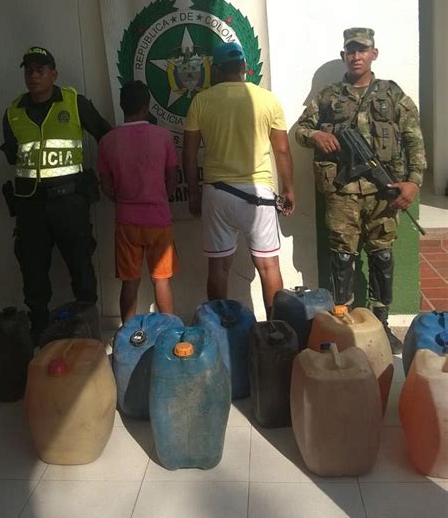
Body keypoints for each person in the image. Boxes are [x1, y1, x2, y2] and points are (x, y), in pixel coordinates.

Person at [295, 28, 427, 352]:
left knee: (382, 256)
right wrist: (316, 137)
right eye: (350, 51)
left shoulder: (392, 94)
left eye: (362, 50)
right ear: (344, 56)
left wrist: (413, 181)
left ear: (374, 54)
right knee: (342, 257)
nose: (356, 56)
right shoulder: (328, 96)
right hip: (342, 193)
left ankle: (381, 323)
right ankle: (344, 322)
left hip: (386, 192)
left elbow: (414, 139)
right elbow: (300, 128)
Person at [1, 46, 111, 343]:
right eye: (29, 70)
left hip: (70, 203)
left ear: (54, 74)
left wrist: (107, 178)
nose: (34, 75)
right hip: (30, 208)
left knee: (81, 268)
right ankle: (40, 335)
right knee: (33, 272)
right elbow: (14, 157)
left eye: (40, 69)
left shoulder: (75, 103)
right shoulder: (13, 112)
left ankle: (87, 335)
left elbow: (107, 137)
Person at [183, 41, 295, 319]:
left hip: (217, 193)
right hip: (259, 194)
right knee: (269, 266)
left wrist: (193, 193)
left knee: (219, 267)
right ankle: (275, 330)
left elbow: (188, 152)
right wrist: (289, 189)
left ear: (216, 70)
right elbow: (281, 149)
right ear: (244, 67)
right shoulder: (268, 99)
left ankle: (220, 329)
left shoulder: (201, 100)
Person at [97, 80, 180, 322]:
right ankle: (171, 332)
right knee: (161, 280)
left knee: (130, 282)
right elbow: (172, 177)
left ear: (122, 106)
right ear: (147, 107)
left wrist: (123, 201)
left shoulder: (107, 141)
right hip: (159, 219)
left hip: (126, 221)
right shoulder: (163, 136)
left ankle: (126, 334)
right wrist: (162, 198)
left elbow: (105, 186)